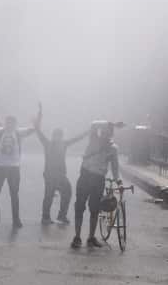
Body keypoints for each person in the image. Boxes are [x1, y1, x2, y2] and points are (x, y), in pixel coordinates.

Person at [71, 120, 124, 249]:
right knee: (79, 207)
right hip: (85, 176)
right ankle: (77, 237)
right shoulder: (93, 139)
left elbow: (115, 168)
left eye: (108, 133)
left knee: (94, 209)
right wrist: (110, 122)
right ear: (102, 131)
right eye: (104, 132)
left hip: (98, 179)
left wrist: (119, 182)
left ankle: (91, 237)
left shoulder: (113, 148)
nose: (105, 135)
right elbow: (93, 124)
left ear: (111, 135)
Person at [0, 109, 37, 228]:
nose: (9, 125)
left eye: (11, 123)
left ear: (15, 124)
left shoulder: (18, 132)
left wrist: (38, 119)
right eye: (8, 122)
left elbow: (33, 129)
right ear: (5, 123)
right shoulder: (0, 131)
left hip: (13, 168)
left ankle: (16, 220)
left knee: (14, 194)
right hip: (0, 167)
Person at [34, 103, 89, 224]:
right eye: (56, 136)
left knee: (67, 192)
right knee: (49, 194)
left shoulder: (63, 144)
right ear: (53, 136)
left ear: (61, 137)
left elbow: (77, 138)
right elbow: (38, 130)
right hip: (50, 174)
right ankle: (46, 217)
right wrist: (40, 114)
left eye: (59, 136)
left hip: (60, 175)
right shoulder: (48, 143)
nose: (57, 138)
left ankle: (60, 215)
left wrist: (87, 132)